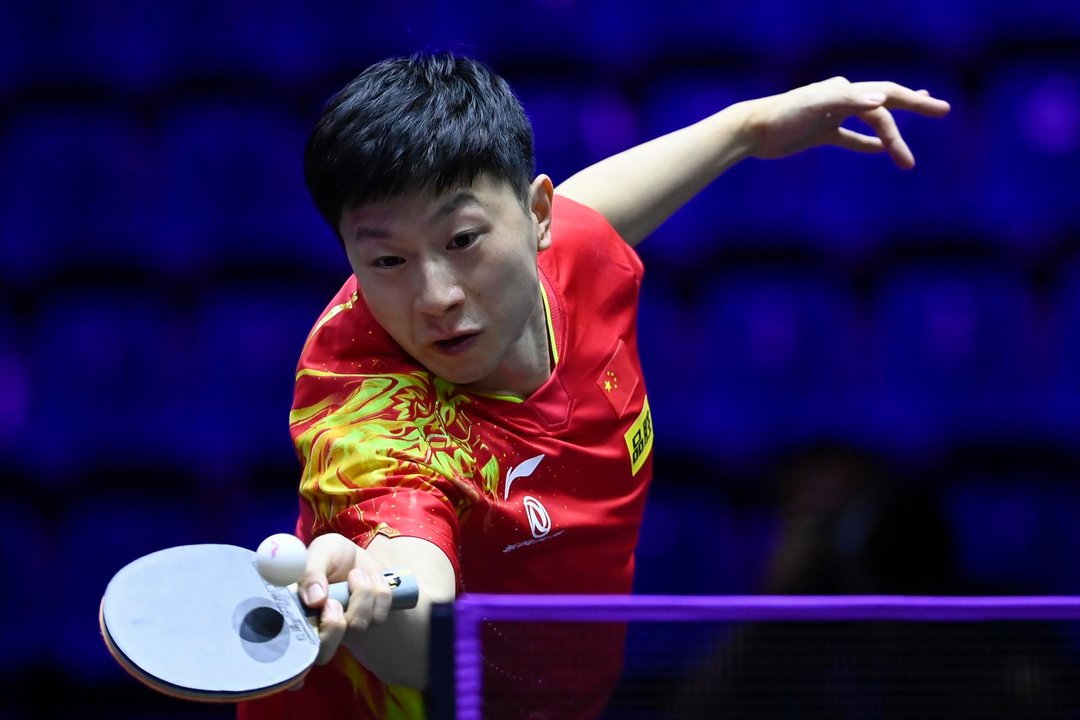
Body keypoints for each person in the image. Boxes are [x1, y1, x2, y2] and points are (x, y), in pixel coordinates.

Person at [236, 51, 950, 720]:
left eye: (461, 241)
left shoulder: (565, 253)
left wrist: (748, 128)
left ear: (536, 217)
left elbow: (593, 210)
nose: (437, 295)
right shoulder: (370, 411)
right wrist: (370, 597)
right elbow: (420, 607)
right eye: (387, 260)